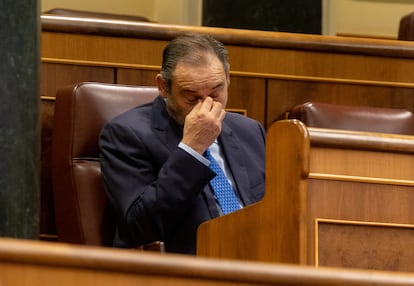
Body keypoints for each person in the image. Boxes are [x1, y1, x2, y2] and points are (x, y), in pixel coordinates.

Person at [99, 33, 265, 254]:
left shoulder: (250, 131)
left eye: (215, 93)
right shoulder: (125, 134)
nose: (205, 106)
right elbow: (141, 227)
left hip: (261, 259)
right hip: (187, 267)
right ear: (163, 87)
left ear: (228, 78)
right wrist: (192, 149)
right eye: (192, 97)